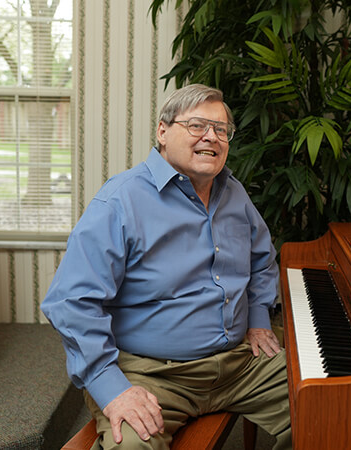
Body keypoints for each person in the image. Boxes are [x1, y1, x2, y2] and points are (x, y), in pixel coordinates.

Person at [41, 84, 291, 450]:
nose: (212, 137)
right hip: (153, 372)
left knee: (335, 408)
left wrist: (257, 318)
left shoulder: (233, 192)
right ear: (162, 131)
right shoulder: (120, 201)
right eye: (197, 126)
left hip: (242, 364)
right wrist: (113, 390)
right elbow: (71, 302)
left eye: (222, 129)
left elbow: (261, 257)